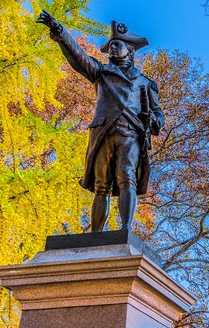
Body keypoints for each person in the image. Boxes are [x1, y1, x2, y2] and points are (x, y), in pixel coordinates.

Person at [37, 13, 164, 232]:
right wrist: (60, 33)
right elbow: (79, 57)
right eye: (110, 45)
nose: (112, 48)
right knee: (101, 185)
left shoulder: (145, 83)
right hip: (104, 132)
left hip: (130, 134)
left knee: (127, 178)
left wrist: (153, 120)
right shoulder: (101, 72)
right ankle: (95, 235)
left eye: (117, 44)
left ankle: (125, 229)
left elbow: (158, 115)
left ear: (130, 50)